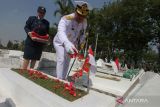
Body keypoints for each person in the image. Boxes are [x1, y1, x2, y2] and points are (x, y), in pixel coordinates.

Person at [53, 1, 90, 80]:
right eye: (79, 15)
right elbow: (60, 32)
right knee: (61, 59)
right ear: (75, 11)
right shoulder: (66, 18)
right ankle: (59, 80)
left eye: (83, 16)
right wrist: (66, 43)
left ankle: (63, 78)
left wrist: (81, 44)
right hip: (60, 42)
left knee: (67, 62)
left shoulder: (84, 22)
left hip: (72, 44)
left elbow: (83, 34)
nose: (81, 18)